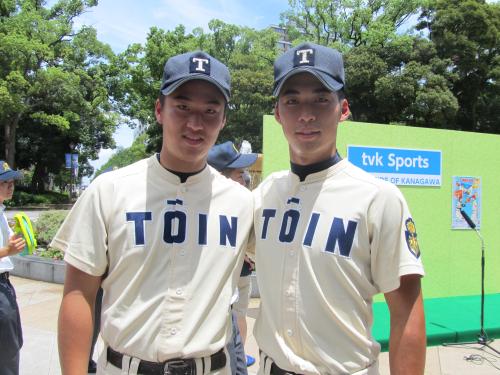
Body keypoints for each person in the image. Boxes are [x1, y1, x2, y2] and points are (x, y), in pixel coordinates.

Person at [52, 51, 254, 375]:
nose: (195, 123)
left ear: (224, 119)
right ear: (160, 110)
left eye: (210, 110)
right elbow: (79, 293)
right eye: (183, 106)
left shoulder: (242, 203)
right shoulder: (110, 190)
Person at [251, 42, 426, 375]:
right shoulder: (263, 195)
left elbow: (406, 312)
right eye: (292, 100)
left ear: (343, 109)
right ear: (277, 113)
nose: (306, 114)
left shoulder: (378, 197)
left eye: (320, 98)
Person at [207, 141, 258, 373]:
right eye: (240, 174)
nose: (246, 179)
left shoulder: (242, 204)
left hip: (228, 316)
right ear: (220, 177)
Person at [0, 161, 26, 375]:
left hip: (4, 285)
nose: (10, 187)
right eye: (4, 182)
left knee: (12, 342)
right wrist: (7, 251)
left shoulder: (1, 211)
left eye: (12, 182)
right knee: (7, 349)